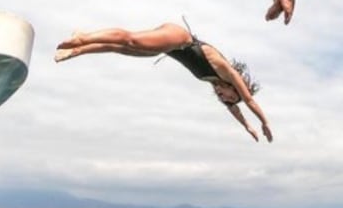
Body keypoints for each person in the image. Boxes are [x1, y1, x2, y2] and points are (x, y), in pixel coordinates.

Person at [54, 23, 273, 142]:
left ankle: (78, 50)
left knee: (123, 49)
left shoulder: (215, 82)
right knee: (131, 39)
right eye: (229, 95)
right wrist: (264, 123)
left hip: (169, 48)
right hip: (179, 37)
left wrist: (247, 128)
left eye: (226, 99)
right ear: (233, 86)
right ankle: (84, 36)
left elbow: (234, 109)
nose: (223, 97)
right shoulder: (226, 70)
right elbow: (249, 100)